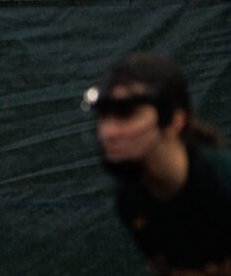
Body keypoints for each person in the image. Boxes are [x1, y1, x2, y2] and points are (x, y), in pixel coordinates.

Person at [86, 53, 231, 275]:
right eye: (103, 115)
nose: (107, 132)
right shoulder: (130, 198)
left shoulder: (223, 181)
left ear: (175, 121)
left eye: (126, 114)